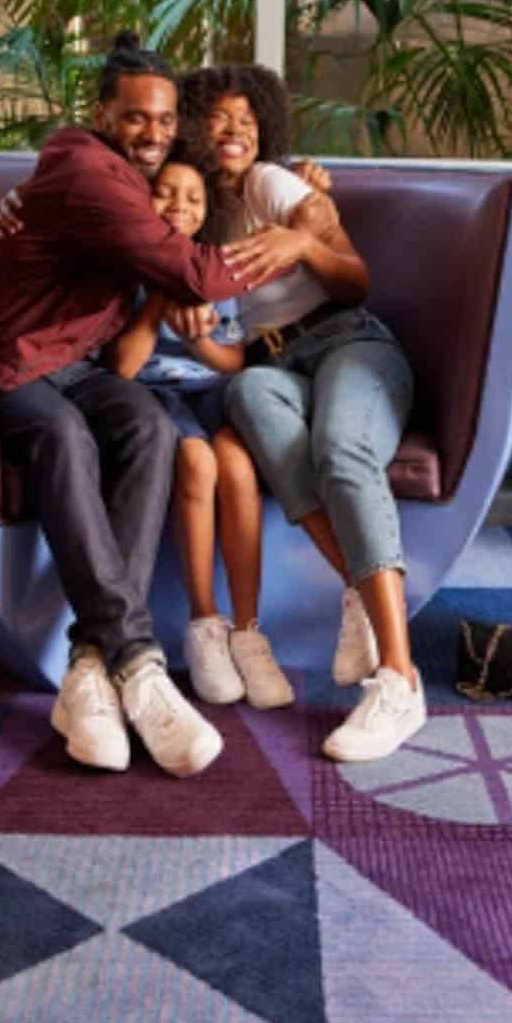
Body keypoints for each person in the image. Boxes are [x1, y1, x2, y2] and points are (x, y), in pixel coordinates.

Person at [0, 33, 278, 780]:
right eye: (136, 117)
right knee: (62, 437)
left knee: (147, 425)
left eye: (165, 118)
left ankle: (90, 664)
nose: (153, 133)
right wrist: (294, 242)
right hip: (23, 362)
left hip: (82, 362)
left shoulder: (115, 175)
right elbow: (194, 268)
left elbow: (179, 242)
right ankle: (139, 663)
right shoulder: (91, 173)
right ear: (101, 113)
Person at [178, 63, 427, 762]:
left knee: (341, 452)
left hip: (348, 340)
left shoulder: (272, 184)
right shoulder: (193, 205)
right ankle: (359, 589)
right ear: (193, 126)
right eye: (219, 119)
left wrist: (305, 243)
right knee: (246, 395)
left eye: (247, 121)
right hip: (271, 365)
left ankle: (399, 681)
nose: (235, 132)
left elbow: (355, 281)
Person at [109, 143, 295, 711]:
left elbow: (235, 362)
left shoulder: (215, 269)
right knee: (198, 461)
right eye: (165, 193)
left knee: (236, 464)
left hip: (212, 388)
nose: (178, 206)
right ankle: (204, 623)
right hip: (158, 394)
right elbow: (124, 367)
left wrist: (199, 340)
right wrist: (163, 298)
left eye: (191, 198)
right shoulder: (128, 270)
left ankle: (247, 629)